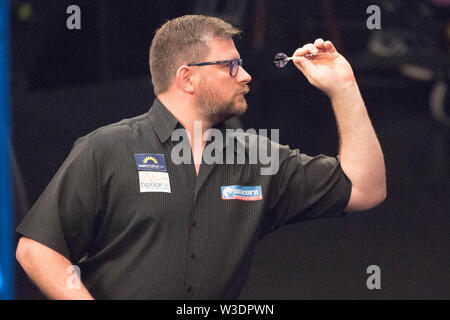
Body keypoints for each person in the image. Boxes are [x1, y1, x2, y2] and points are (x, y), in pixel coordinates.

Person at [16, 15, 386, 300]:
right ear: (187, 78)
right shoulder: (107, 149)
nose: (245, 75)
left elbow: (365, 190)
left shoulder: (257, 158)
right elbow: (37, 248)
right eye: (230, 66)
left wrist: (345, 88)